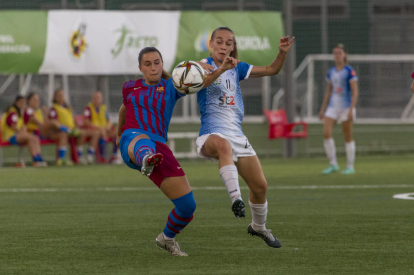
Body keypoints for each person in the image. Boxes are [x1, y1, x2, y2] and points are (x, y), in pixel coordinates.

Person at [116, 46, 237, 256]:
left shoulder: (172, 86)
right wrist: (119, 135)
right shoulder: (130, 87)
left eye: (157, 63)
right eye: (147, 64)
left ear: (162, 64)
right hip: (133, 140)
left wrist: (222, 68)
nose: (153, 68)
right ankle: (146, 158)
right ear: (140, 68)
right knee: (144, 142)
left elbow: (202, 81)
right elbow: (124, 109)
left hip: (159, 149)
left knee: (187, 206)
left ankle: (167, 238)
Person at [196, 26, 294, 248]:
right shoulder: (201, 66)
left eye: (228, 43)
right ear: (210, 44)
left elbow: (272, 69)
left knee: (260, 187)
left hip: (237, 135)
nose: (223, 46)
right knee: (223, 146)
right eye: (219, 41)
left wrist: (282, 52)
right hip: (212, 133)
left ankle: (258, 227)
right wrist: (220, 69)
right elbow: (204, 82)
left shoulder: (237, 67)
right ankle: (236, 199)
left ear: (233, 47)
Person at [318, 44, 359, 175]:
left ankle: (350, 166)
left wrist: (352, 109)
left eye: (339, 53)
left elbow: (355, 92)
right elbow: (328, 92)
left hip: (346, 107)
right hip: (332, 107)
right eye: (335, 53)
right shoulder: (331, 71)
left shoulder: (349, 71)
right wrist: (322, 109)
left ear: (344, 55)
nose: (337, 55)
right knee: (326, 133)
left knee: (347, 136)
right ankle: (333, 164)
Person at [49, 89, 99, 164]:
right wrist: (65, 129)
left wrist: (76, 127)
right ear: (55, 98)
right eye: (59, 96)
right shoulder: (53, 108)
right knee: (64, 135)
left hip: (71, 130)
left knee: (85, 133)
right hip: (61, 131)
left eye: (62, 95)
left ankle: (84, 156)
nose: (61, 97)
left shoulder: (67, 108)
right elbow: (53, 122)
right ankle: (62, 159)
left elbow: (72, 120)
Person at [24, 92, 73, 166]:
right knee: (53, 121)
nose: (37, 102)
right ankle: (69, 130)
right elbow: (36, 122)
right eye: (34, 100)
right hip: (34, 133)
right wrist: (47, 124)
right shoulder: (28, 110)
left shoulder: (38, 111)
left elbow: (45, 122)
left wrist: (45, 113)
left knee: (62, 134)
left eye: (38, 100)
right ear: (29, 101)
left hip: (43, 133)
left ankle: (61, 160)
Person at [0, 96, 46, 167]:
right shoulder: (12, 112)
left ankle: (39, 158)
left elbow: (22, 125)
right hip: (10, 137)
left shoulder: (19, 113)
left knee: (34, 138)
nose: (22, 104)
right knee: (31, 138)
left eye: (24, 103)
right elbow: (13, 126)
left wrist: (25, 133)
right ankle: (35, 159)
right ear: (16, 102)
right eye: (21, 102)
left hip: (17, 136)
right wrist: (23, 133)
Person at [83, 91, 120, 164]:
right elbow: (86, 122)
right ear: (92, 99)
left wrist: (108, 126)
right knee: (102, 133)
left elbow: (108, 120)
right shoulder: (88, 108)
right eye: (95, 98)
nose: (97, 99)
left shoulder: (103, 108)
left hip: (104, 129)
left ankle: (114, 156)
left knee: (117, 133)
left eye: (99, 98)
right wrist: (99, 128)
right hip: (95, 129)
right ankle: (102, 157)